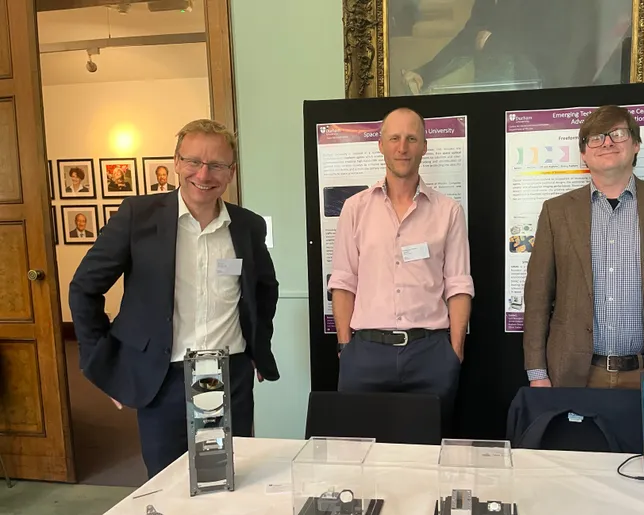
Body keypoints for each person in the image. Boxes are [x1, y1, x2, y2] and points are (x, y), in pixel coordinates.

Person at [69, 118, 280, 478]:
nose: (204, 173)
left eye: (216, 165)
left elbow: (264, 288)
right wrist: (104, 363)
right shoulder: (139, 217)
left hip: (231, 375)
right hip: (163, 378)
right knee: (168, 484)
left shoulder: (247, 225)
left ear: (230, 172)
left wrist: (258, 347)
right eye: (194, 161)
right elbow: (84, 289)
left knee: (230, 478)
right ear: (177, 163)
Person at [523, 105, 644, 389]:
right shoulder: (557, 212)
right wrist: (537, 371)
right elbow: (538, 297)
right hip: (575, 376)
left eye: (617, 134)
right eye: (596, 137)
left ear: (636, 144)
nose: (607, 142)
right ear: (583, 153)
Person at [327, 107, 473, 431]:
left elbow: (459, 284)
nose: (402, 147)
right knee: (358, 454)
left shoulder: (448, 211)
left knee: (427, 457)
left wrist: (455, 351)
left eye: (411, 138)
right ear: (380, 145)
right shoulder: (355, 209)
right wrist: (345, 346)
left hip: (431, 356)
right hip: (365, 355)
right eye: (394, 138)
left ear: (424, 145)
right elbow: (343, 282)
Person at [401, 0, 598, 93]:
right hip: (490, 90)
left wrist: (495, 41)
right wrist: (425, 73)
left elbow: (555, 39)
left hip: (537, 95)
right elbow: (468, 38)